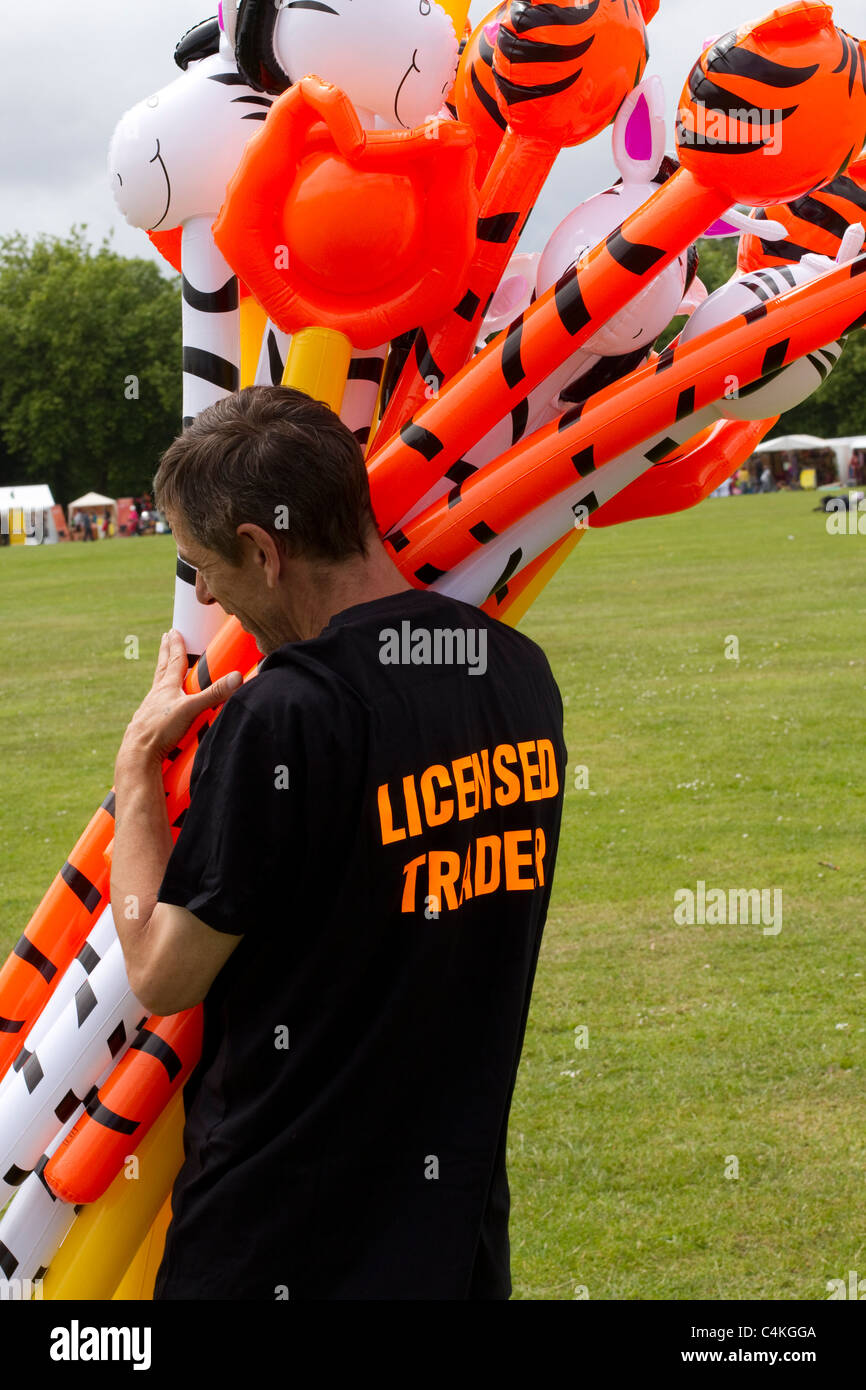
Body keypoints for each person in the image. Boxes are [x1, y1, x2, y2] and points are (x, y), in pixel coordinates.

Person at [110, 385, 568, 1301]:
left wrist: (135, 772)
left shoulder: (288, 712)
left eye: (204, 566)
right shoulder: (517, 672)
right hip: (452, 1240)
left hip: (276, 1241)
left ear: (263, 550)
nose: (206, 595)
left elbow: (161, 973)